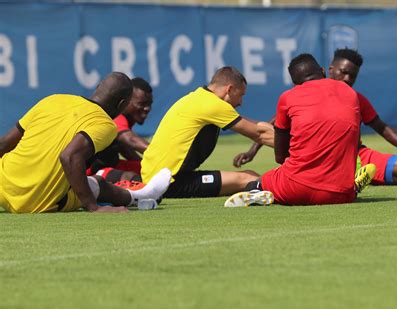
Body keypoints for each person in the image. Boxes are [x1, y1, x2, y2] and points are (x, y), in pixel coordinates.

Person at [233, 48, 397, 186]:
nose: (348, 79)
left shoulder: (354, 97)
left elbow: (381, 126)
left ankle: (356, 177)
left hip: (355, 156)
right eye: (344, 72)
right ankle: (349, 180)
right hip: (317, 158)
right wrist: (253, 151)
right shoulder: (302, 94)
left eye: (352, 75)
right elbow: (276, 125)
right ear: (329, 69)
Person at [0, 72, 171, 213]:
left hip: (3, 183)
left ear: (98, 88)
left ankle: (141, 193)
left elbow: (4, 144)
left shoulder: (52, 99)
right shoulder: (105, 124)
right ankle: (141, 195)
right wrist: (93, 207)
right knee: (97, 184)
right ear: (122, 104)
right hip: (32, 202)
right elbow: (70, 156)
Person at [226, 53, 373, 207]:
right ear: (323, 71)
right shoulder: (350, 93)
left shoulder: (289, 97)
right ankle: (353, 187)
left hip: (297, 189)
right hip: (342, 193)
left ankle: (258, 192)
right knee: (338, 179)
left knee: (255, 182)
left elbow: (280, 156)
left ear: (295, 83)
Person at [140, 66, 274, 198]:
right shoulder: (214, 105)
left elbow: (255, 126)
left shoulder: (198, 98)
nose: (241, 102)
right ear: (230, 89)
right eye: (240, 95)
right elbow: (259, 133)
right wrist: (293, 149)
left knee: (249, 176)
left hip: (154, 178)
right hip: (169, 184)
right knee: (248, 179)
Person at [88, 77, 153, 183]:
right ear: (126, 102)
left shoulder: (123, 122)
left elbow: (129, 153)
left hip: (107, 167)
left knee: (151, 170)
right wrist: (166, 156)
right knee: (132, 177)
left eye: (150, 104)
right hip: (90, 173)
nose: (147, 108)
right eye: (142, 103)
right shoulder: (116, 118)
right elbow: (132, 140)